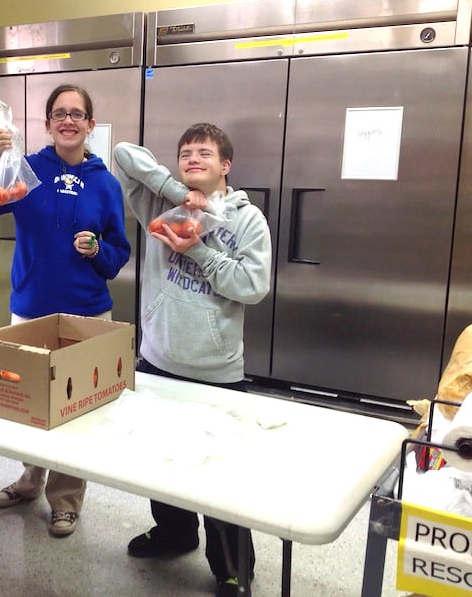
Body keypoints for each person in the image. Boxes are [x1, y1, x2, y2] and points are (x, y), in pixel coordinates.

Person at [0, 84, 131, 537]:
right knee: (29, 402)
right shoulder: (24, 169)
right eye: (59, 114)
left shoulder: (105, 183)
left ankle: (66, 499)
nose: (68, 121)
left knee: (78, 409)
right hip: (31, 309)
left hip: (87, 313)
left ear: (91, 125)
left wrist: (97, 251)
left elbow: (119, 253)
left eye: (77, 114)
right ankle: (31, 479)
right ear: (48, 123)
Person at [113, 123, 272, 597]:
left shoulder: (248, 221)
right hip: (158, 360)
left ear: (226, 166)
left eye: (204, 153)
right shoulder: (161, 206)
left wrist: (198, 249)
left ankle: (232, 566)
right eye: (185, 153)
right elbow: (122, 153)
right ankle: (175, 533)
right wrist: (179, 192)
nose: (193, 158)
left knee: (219, 477)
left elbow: (252, 287)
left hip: (216, 373)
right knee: (161, 463)